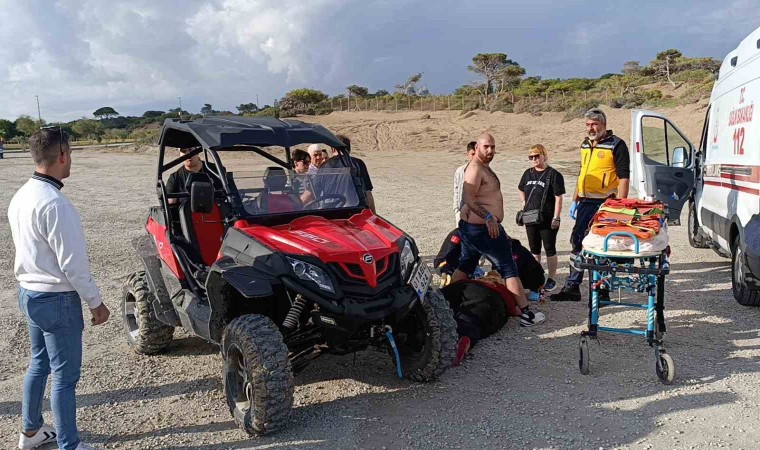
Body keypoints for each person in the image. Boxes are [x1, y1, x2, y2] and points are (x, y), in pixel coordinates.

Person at [8, 128, 110, 450]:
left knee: (39, 363)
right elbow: (73, 265)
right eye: (71, 154)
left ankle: (31, 432)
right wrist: (95, 302)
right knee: (65, 378)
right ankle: (70, 444)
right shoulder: (55, 204)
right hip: (56, 298)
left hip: (29, 292)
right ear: (63, 155)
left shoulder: (22, 194)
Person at [451, 132, 545, 327]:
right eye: (486, 146)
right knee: (508, 267)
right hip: (483, 229)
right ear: (476, 147)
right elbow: (468, 198)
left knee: (466, 264)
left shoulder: (483, 166)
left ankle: (446, 302)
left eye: (492, 147)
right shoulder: (475, 169)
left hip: (474, 228)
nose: (490, 150)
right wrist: (488, 217)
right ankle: (526, 314)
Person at [550, 108, 630, 302]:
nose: (591, 128)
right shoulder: (585, 145)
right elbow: (582, 173)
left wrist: (620, 205)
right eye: (588, 125)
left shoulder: (616, 145)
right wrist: (575, 200)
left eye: (594, 124)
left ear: (604, 124)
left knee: (602, 245)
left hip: (605, 203)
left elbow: (624, 177)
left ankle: (603, 289)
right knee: (577, 241)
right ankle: (572, 286)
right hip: (585, 201)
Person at [518, 144, 566, 292]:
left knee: (549, 248)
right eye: (531, 157)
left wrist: (556, 217)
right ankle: (537, 277)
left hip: (547, 218)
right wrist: (524, 202)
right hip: (530, 217)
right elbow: (521, 188)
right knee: (534, 249)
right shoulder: (528, 173)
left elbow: (558, 198)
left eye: (536, 156)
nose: (534, 159)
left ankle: (551, 278)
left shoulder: (554, 174)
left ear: (544, 156)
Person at [322, 134, 376, 213]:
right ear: (349, 149)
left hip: (330, 211)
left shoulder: (324, 166)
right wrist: (373, 214)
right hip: (355, 210)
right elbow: (367, 192)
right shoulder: (357, 164)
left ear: (333, 149)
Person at [453, 141, 477, 224]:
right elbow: (456, 190)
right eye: (472, 154)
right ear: (467, 154)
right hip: (461, 209)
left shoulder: (484, 172)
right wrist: (456, 209)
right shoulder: (460, 171)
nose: (475, 157)